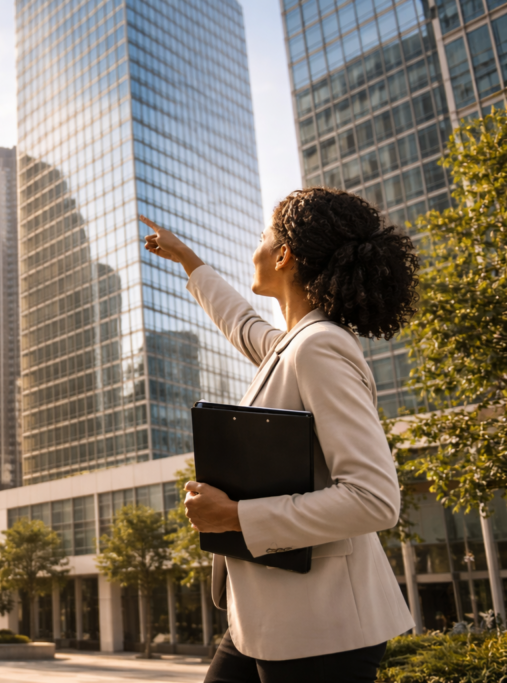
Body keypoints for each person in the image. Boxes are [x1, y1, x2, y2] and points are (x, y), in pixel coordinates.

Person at [141, 187, 419, 682]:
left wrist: (234, 516)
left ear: (284, 254)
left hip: (322, 626)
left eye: (262, 237)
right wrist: (187, 259)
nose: (257, 247)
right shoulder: (293, 345)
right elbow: (242, 323)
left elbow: (374, 499)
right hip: (265, 619)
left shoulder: (318, 348)